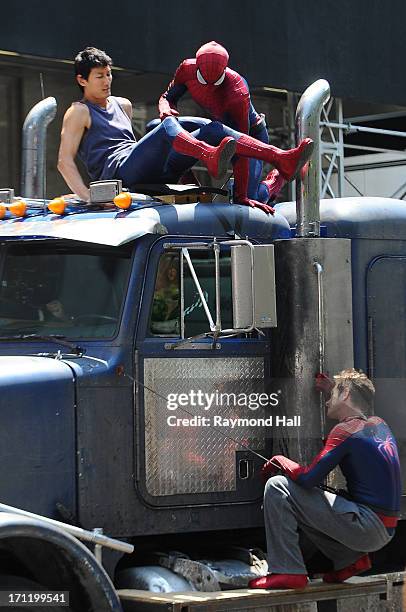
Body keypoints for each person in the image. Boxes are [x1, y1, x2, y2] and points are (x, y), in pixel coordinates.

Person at [58, 47, 313, 212]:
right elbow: (64, 162)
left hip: (148, 173)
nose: (107, 81)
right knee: (166, 124)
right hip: (120, 174)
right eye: (99, 76)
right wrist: (87, 197)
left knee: (211, 129)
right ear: (82, 80)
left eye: (109, 74)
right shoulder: (79, 112)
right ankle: (213, 156)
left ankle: (280, 157)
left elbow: (144, 151)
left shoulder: (122, 104)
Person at [249, 368, 401, 590]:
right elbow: (356, 418)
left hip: (366, 526)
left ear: (346, 394)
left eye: (333, 396)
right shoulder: (379, 425)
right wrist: (334, 389)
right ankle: (349, 560)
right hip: (386, 529)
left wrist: (280, 460)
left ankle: (288, 571)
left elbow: (309, 478)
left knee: (278, 486)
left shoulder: (344, 430)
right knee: (308, 502)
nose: (327, 401)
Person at [158, 41, 291, 211]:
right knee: (158, 129)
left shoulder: (237, 90)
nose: (210, 88)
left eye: (217, 82)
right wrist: (166, 112)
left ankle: (274, 181)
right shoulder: (186, 69)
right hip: (219, 128)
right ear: (196, 68)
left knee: (249, 200)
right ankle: (192, 184)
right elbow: (168, 97)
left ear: (224, 73)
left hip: (251, 135)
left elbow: (243, 145)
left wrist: (241, 196)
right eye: (203, 80)